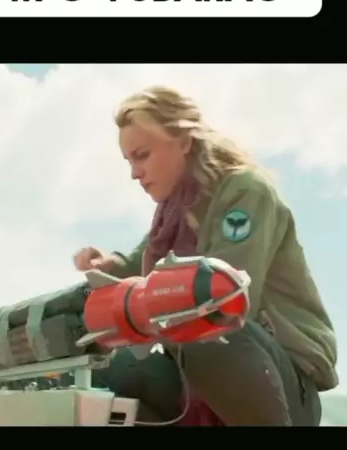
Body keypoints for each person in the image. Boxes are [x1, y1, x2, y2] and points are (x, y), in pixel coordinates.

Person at [73, 86, 338, 426]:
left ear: (184, 142)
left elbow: (227, 299)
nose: (134, 173)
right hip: (196, 370)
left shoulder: (246, 192)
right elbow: (136, 266)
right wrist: (107, 264)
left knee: (205, 322)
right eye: (129, 161)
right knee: (101, 370)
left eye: (142, 155)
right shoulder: (174, 216)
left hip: (279, 380)